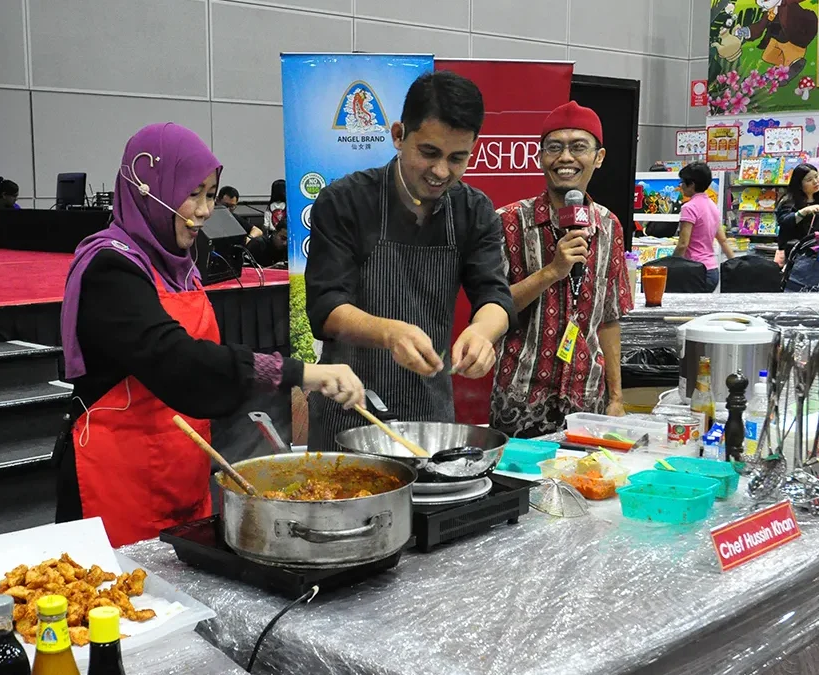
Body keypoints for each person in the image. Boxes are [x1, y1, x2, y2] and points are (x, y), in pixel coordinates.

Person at [56, 122, 364, 547]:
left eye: (211, 194)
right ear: (149, 189)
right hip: (117, 480)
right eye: (193, 193)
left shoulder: (179, 263)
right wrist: (298, 372)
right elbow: (179, 360)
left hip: (179, 472)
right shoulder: (111, 269)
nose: (204, 210)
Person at [305, 71, 516, 451]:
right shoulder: (346, 201)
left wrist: (484, 332)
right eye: (429, 153)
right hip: (349, 411)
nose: (441, 172)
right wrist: (390, 333)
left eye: (457, 158)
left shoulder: (474, 211)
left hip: (430, 419)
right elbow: (326, 307)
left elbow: (494, 295)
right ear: (399, 135)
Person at [490, 101, 633, 439]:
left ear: (598, 157)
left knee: (586, 475)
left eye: (578, 147)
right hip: (520, 400)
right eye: (554, 147)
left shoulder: (609, 226)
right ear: (540, 157)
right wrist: (552, 271)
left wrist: (616, 398)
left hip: (588, 399)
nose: (565, 158)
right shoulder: (507, 222)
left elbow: (609, 318)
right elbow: (493, 308)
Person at [674, 161, 735, 291]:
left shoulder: (689, 207)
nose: (681, 186)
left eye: (683, 182)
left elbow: (683, 244)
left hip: (695, 271)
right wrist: (735, 264)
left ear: (692, 184)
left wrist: (671, 264)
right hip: (712, 271)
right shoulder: (712, 206)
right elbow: (723, 240)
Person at [776, 162, 819, 258]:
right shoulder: (789, 201)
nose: (815, 181)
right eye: (809, 180)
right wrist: (804, 212)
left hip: (817, 252)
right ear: (799, 184)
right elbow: (784, 222)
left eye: (816, 176)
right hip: (792, 253)